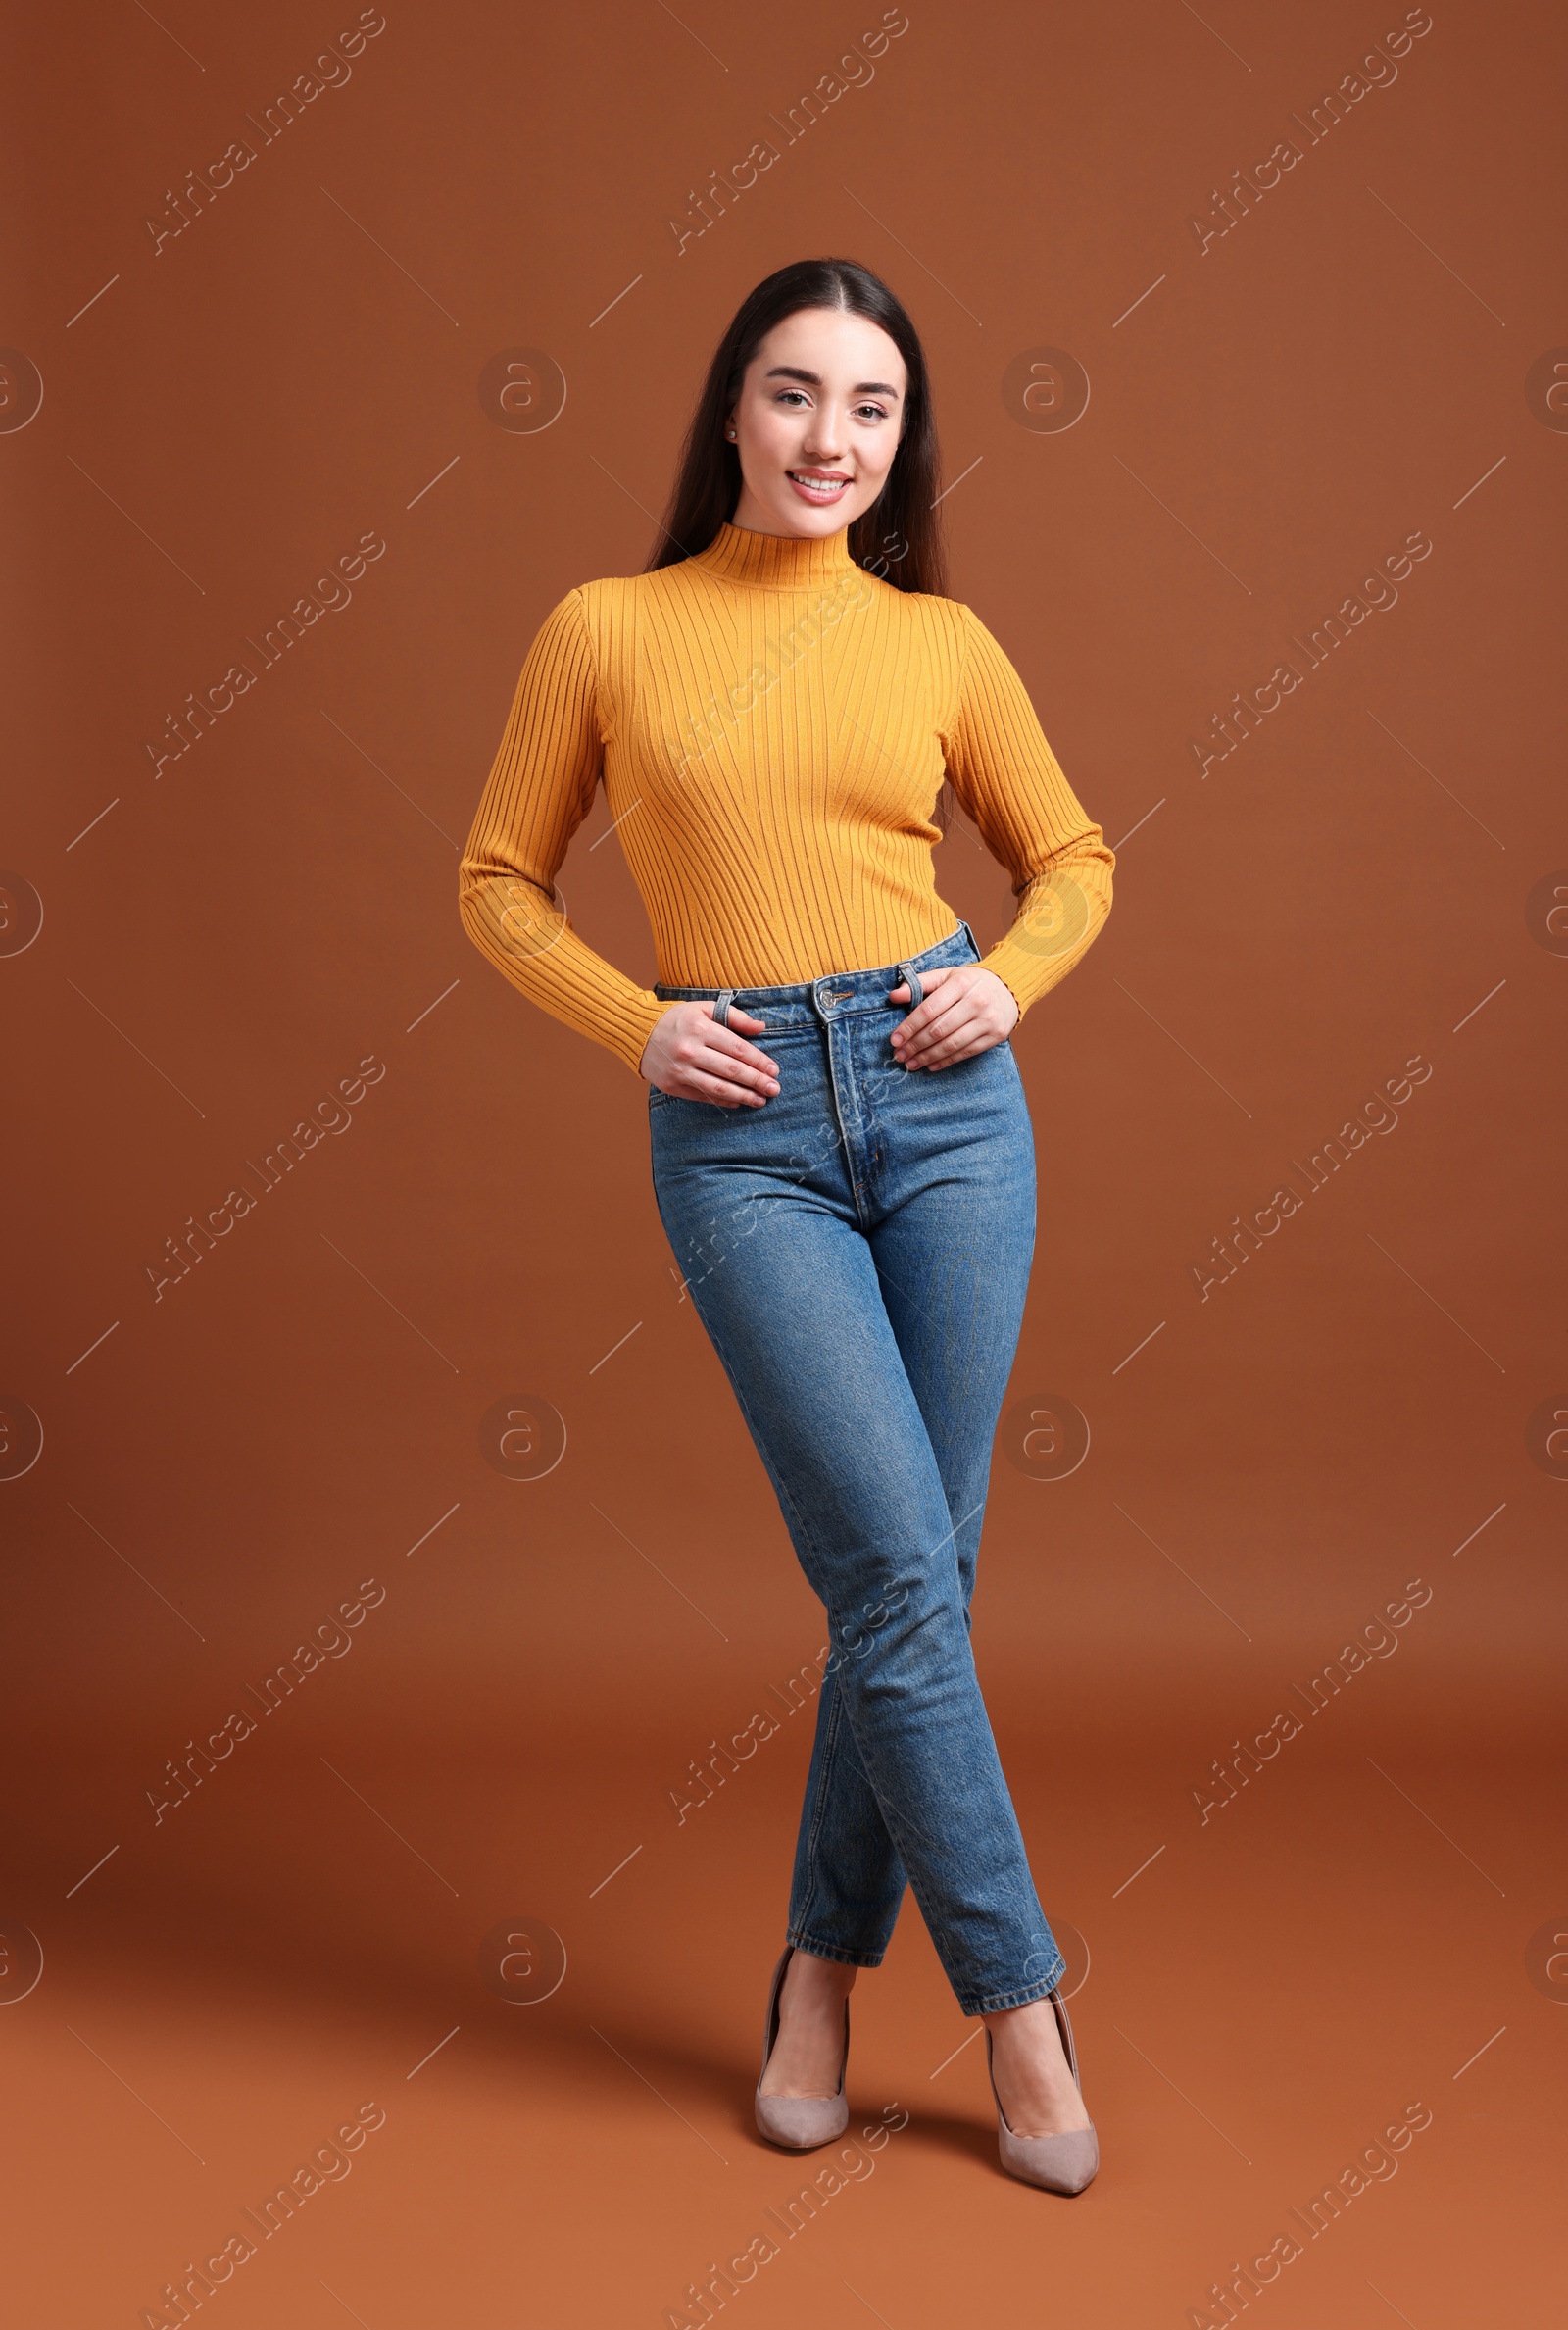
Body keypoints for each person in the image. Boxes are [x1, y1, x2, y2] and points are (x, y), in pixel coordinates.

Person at [458, 257, 1114, 2193]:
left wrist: (1009, 978)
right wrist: (638, 1025)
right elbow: (495, 879)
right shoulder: (605, 629)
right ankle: (1022, 2012)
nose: (830, 439)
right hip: (740, 1135)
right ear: (728, 413)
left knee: (912, 1572)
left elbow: (1068, 856)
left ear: (901, 438)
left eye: (871, 407)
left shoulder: (938, 643)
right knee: (898, 1570)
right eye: (792, 395)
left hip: (943, 1113)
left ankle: (817, 1977)